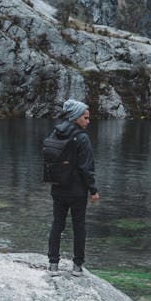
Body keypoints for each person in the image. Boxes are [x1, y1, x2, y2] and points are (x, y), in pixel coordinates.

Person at [47, 99, 99, 276]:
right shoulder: (82, 138)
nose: (88, 121)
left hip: (58, 189)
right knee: (79, 227)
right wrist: (93, 190)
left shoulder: (56, 133)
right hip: (77, 192)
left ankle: (53, 265)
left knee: (57, 225)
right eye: (86, 117)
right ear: (76, 117)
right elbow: (86, 167)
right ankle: (77, 267)